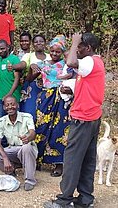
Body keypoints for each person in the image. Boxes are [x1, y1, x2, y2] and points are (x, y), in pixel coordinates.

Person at [44, 33, 105, 208]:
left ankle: (64, 201)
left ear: (89, 48)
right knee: (87, 160)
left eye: (80, 46)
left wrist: (74, 41)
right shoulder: (95, 62)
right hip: (92, 117)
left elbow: (70, 62)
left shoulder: (89, 61)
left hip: (84, 118)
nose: (77, 49)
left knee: (72, 160)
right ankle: (86, 199)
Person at [32, 35, 70, 177]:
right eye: (52, 51)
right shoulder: (43, 63)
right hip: (45, 98)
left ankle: (58, 163)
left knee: (59, 130)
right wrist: (32, 66)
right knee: (40, 127)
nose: (54, 54)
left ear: (62, 52)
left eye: (58, 52)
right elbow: (31, 75)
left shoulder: (66, 65)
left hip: (61, 98)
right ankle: (37, 159)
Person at [0, 96, 37, 191]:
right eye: (7, 105)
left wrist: (28, 138)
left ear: (18, 105)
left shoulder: (27, 117)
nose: (10, 107)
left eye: (12, 104)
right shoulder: (1, 121)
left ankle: (29, 180)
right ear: (4, 108)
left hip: (26, 148)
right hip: (12, 149)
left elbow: (33, 133)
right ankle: (11, 172)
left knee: (26, 147)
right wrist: (5, 158)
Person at [8, 34, 51, 122]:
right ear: (32, 44)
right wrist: (14, 66)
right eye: (36, 42)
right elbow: (23, 64)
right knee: (29, 114)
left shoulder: (50, 56)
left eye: (41, 41)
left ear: (45, 43)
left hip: (47, 89)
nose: (38, 43)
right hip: (31, 89)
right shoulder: (29, 56)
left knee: (45, 114)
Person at [0, 40, 21, 118]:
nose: (0, 51)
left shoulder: (14, 59)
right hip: (0, 97)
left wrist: (9, 94)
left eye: (2, 48)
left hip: (13, 96)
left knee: (15, 120)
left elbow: (17, 78)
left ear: (8, 47)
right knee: (1, 120)